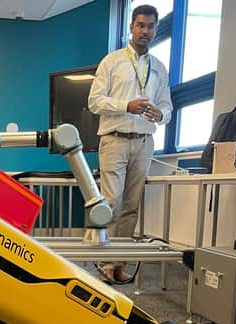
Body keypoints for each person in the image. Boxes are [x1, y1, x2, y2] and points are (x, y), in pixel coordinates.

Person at [88, 4, 172, 284]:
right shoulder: (111, 62)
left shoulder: (159, 68)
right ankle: (104, 263)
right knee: (111, 203)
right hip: (115, 139)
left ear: (155, 29)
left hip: (145, 141)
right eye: (140, 25)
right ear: (131, 28)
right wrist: (127, 104)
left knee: (131, 207)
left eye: (150, 26)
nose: (145, 31)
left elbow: (167, 106)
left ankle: (118, 262)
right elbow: (94, 101)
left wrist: (161, 114)